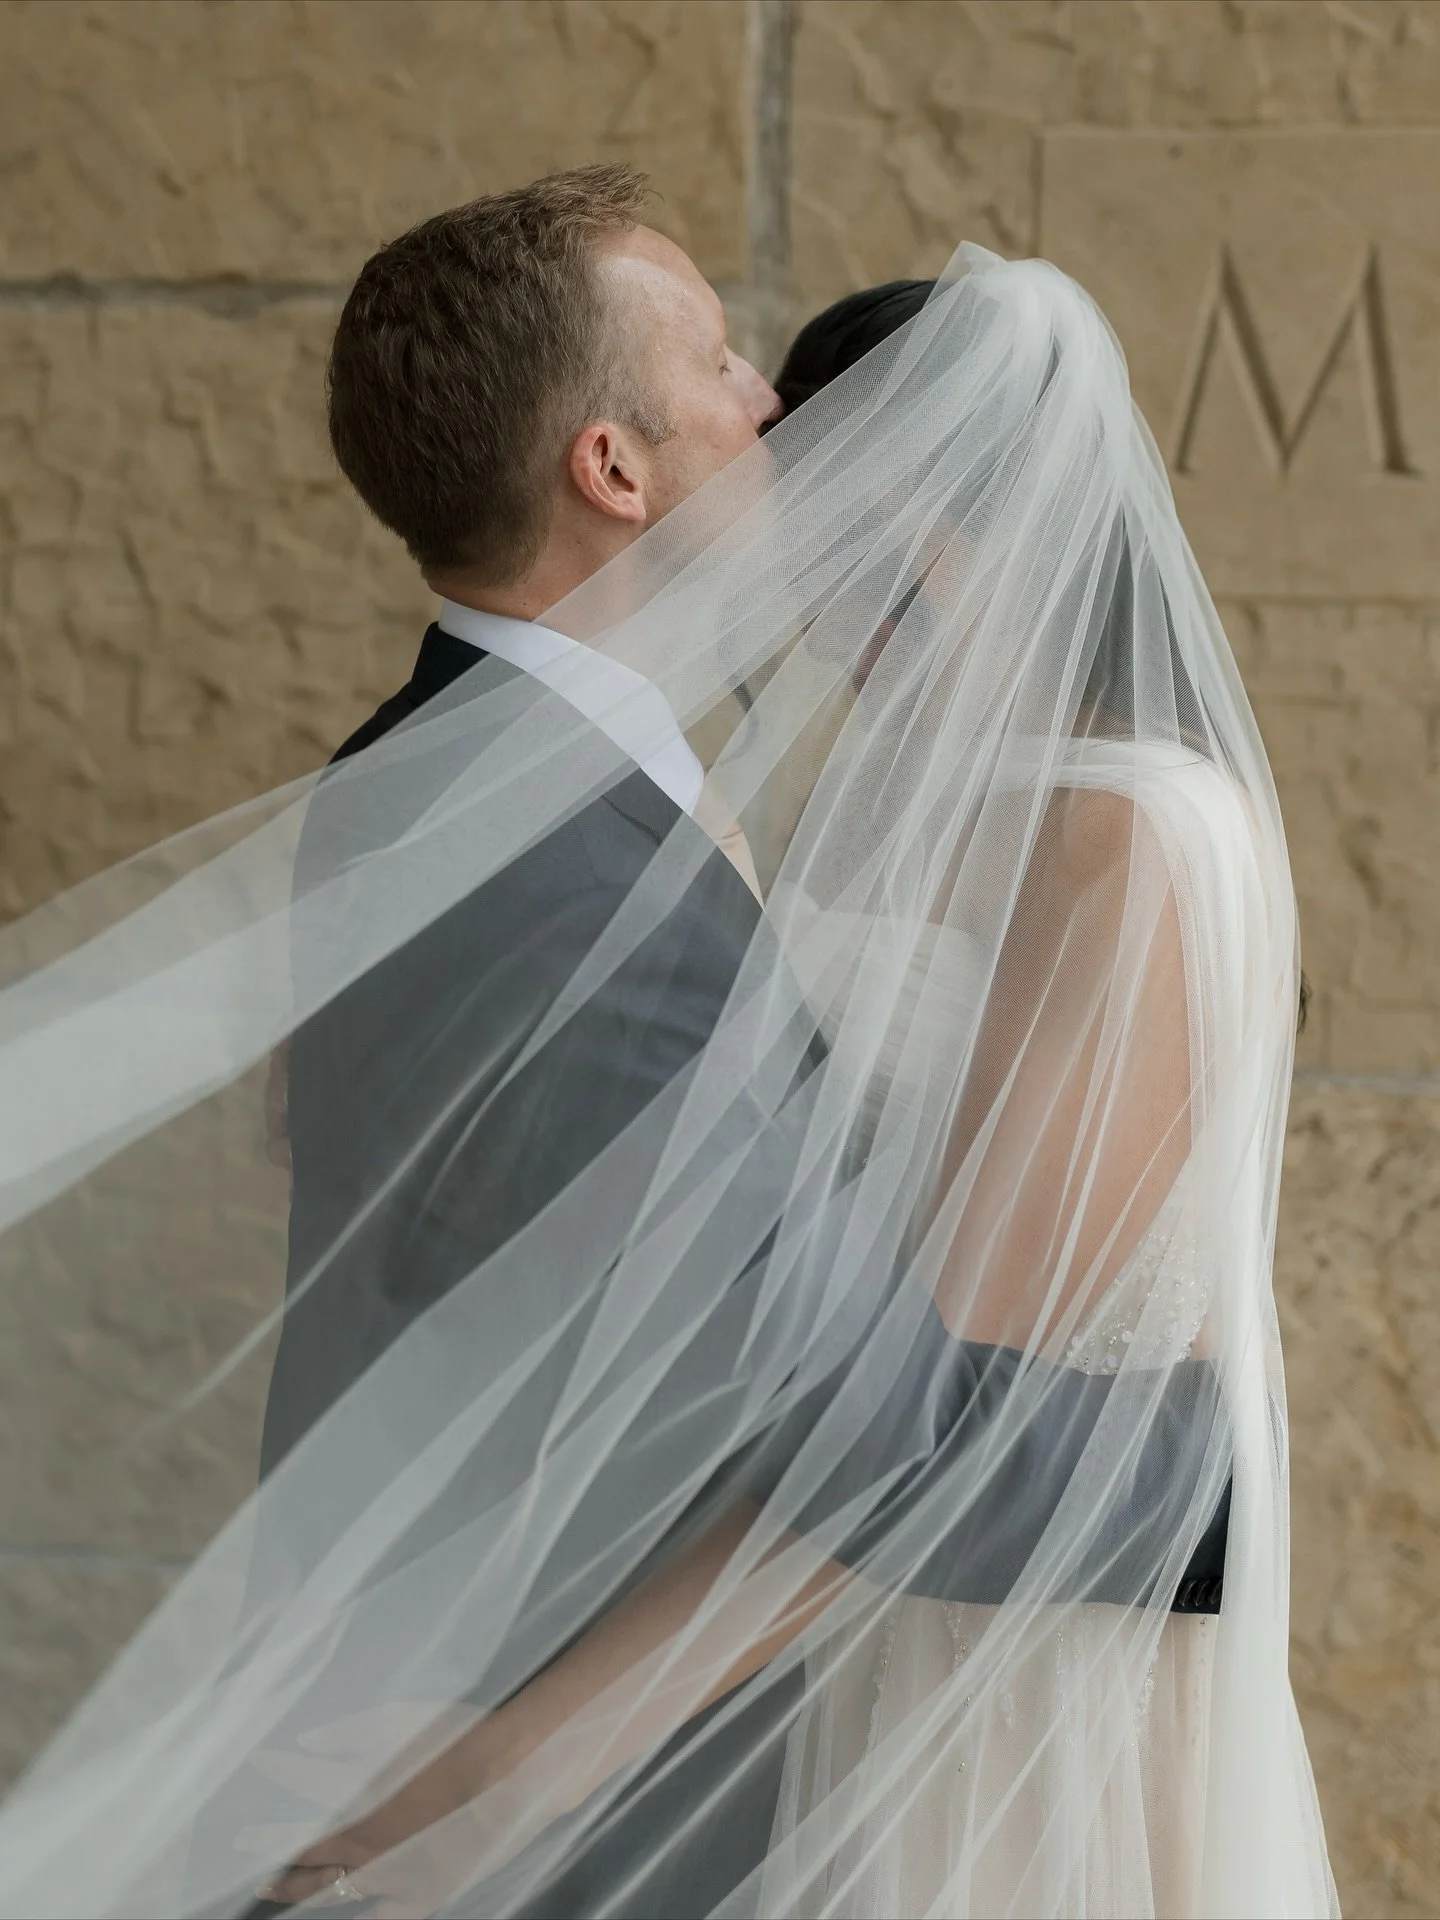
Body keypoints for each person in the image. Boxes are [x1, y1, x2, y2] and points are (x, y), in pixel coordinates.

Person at [0, 215, 1337, 1919]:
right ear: (613, 465)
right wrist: (1193, 1482)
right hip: (578, 1712)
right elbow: (872, 1402)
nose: (767, 405)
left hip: (917, 1673)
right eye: (718, 359)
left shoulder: (1054, 836)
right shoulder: (545, 853)